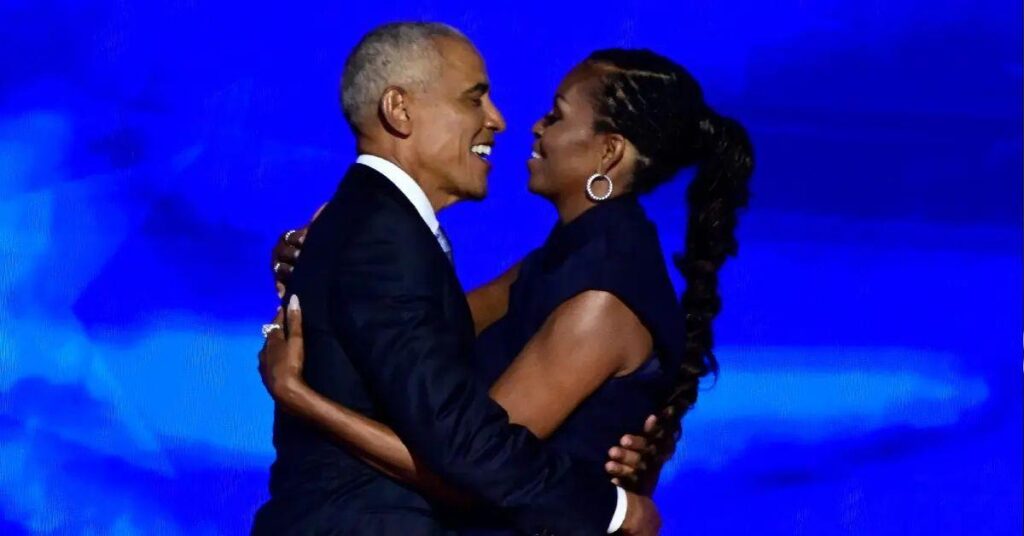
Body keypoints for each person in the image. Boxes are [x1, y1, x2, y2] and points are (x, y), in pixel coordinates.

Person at [262, 40, 754, 534]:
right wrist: (331, 265)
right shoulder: (562, 259)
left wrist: (301, 397)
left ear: (608, 152)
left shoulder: (601, 300)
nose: (533, 128)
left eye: (556, 117)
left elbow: (470, 466)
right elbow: (427, 319)